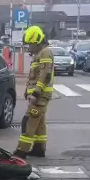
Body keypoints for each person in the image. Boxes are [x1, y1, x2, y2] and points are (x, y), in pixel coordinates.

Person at [14, 25, 54, 159]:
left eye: (30, 44)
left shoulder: (45, 53)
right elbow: (34, 76)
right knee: (39, 123)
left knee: (28, 122)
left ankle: (21, 151)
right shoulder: (39, 53)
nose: (28, 48)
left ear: (37, 42)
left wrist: (36, 93)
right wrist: (27, 90)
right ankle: (39, 148)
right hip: (39, 95)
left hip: (40, 96)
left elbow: (45, 75)